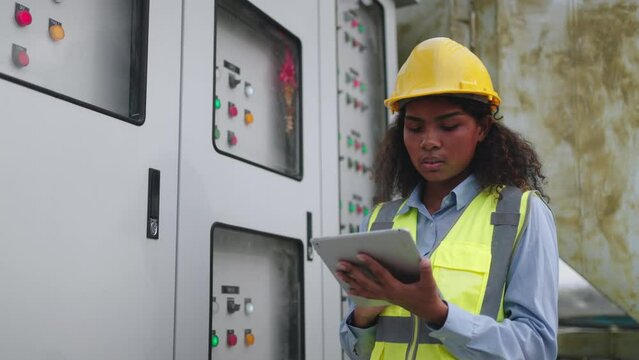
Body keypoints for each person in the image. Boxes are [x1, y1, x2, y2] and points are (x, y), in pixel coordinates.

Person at [336, 37, 558, 359]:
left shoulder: (519, 215)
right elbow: (358, 352)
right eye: (414, 128)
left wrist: (438, 314)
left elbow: (537, 348)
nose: (429, 142)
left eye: (449, 126)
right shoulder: (379, 221)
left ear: (482, 128)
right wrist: (364, 315)